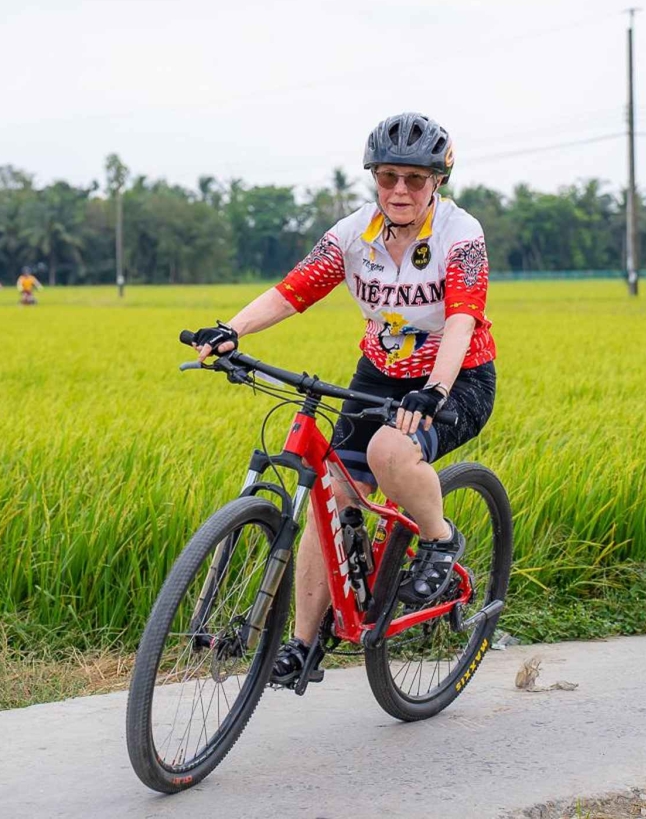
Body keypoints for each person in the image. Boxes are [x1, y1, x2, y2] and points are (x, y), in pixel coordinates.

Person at [187, 112, 496, 689]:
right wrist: (231, 330)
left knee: (389, 453)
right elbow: (293, 290)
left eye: (414, 178)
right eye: (387, 177)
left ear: (437, 181)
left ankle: (439, 539)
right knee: (332, 497)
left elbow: (461, 318)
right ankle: (304, 645)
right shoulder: (355, 233)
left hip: (458, 377)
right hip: (379, 375)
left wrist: (434, 391)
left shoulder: (461, 234)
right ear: (374, 178)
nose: (399, 190)